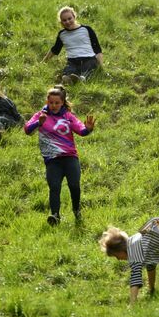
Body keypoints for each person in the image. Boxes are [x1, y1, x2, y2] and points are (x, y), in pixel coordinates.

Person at [24, 85, 95, 226]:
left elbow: (81, 131)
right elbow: (27, 129)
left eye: (57, 103)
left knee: (74, 185)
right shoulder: (41, 115)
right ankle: (55, 215)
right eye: (51, 102)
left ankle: (76, 210)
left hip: (70, 157)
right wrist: (39, 123)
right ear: (47, 102)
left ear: (62, 102)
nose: (54, 105)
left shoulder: (68, 116)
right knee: (54, 186)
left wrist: (88, 129)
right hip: (52, 160)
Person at [43, 6, 103, 85]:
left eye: (69, 18)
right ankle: (68, 79)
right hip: (72, 61)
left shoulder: (86, 29)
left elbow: (97, 49)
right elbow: (55, 50)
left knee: (88, 69)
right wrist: (44, 62)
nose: (67, 22)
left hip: (88, 58)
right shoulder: (62, 34)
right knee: (69, 70)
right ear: (61, 22)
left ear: (74, 17)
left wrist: (100, 66)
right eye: (64, 20)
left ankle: (81, 79)